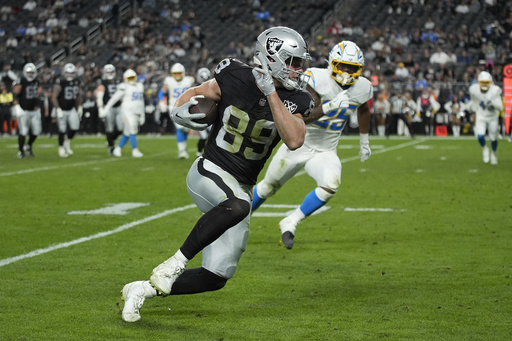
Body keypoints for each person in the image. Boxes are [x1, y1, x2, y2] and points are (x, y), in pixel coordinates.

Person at [120, 26, 314, 322]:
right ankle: (172, 264)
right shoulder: (234, 74)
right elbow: (195, 93)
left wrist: (271, 92)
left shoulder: (295, 99)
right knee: (238, 205)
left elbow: (294, 139)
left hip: (241, 185)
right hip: (209, 170)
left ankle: (140, 290)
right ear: (272, 57)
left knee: (216, 275)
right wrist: (180, 109)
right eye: (293, 61)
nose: (298, 70)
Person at [251, 40, 372, 249]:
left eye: (352, 68)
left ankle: (291, 221)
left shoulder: (363, 87)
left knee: (331, 184)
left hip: (325, 151)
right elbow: (302, 117)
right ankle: (235, 220)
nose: (346, 71)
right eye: (342, 66)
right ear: (332, 64)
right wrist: (330, 106)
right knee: (267, 188)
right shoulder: (316, 79)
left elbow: (363, 109)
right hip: (298, 144)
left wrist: (364, 140)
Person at [102, 69, 145, 158]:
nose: (132, 79)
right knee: (132, 129)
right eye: (130, 78)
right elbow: (114, 98)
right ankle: (135, 150)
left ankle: (118, 149)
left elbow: (141, 101)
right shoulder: (124, 86)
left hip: (136, 112)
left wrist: (142, 114)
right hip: (127, 112)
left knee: (127, 132)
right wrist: (106, 108)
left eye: (133, 77)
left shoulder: (139, 86)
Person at [160, 62, 196, 159]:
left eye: (179, 73)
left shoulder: (189, 80)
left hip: (187, 106)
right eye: (175, 73)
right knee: (180, 127)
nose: (177, 75)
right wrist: (161, 101)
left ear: (183, 73)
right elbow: (162, 92)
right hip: (174, 106)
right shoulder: (169, 81)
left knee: (185, 129)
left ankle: (183, 149)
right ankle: (181, 151)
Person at [12, 63, 48, 158]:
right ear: (25, 72)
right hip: (24, 110)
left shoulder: (37, 81)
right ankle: (20, 151)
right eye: (28, 72)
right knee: (23, 131)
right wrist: (17, 107)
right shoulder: (22, 81)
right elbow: (15, 94)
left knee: (37, 131)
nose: (30, 74)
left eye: (32, 72)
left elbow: (39, 93)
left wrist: (41, 94)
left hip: (34, 110)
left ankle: (28, 146)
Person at [468, 71, 503, 165]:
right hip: (481, 115)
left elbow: (501, 107)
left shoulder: (495, 91)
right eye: (482, 82)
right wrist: (473, 106)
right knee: (480, 135)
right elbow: (473, 99)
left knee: (493, 138)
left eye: (486, 82)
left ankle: (494, 154)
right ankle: (485, 148)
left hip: (492, 117)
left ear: (490, 82)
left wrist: (492, 102)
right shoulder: (474, 89)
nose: (484, 84)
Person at [51, 63, 83, 158]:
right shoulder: (60, 82)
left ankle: (67, 141)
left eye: (71, 73)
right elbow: (54, 97)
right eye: (68, 73)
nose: (69, 75)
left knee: (75, 127)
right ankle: (61, 147)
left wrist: (80, 106)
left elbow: (78, 95)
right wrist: (58, 109)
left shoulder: (76, 82)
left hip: (72, 108)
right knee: (62, 130)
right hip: (62, 109)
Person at [95, 64, 123, 155]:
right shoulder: (103, 83)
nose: (110, 74)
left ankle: (111, 140)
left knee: (121, 128)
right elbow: (99, 97)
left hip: (119, 107)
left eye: (111, 72)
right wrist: (100, 108)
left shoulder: (118, 82)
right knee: (109, 128)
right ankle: (111, 147)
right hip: (108, 108)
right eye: (108, 72)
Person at [195, 66, 212, 157]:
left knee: (212, 135)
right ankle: (199, 151)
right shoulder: (195, 88)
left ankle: (208, 153)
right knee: (203, 136)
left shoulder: (212, 87)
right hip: (199, 115)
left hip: (210, 114)